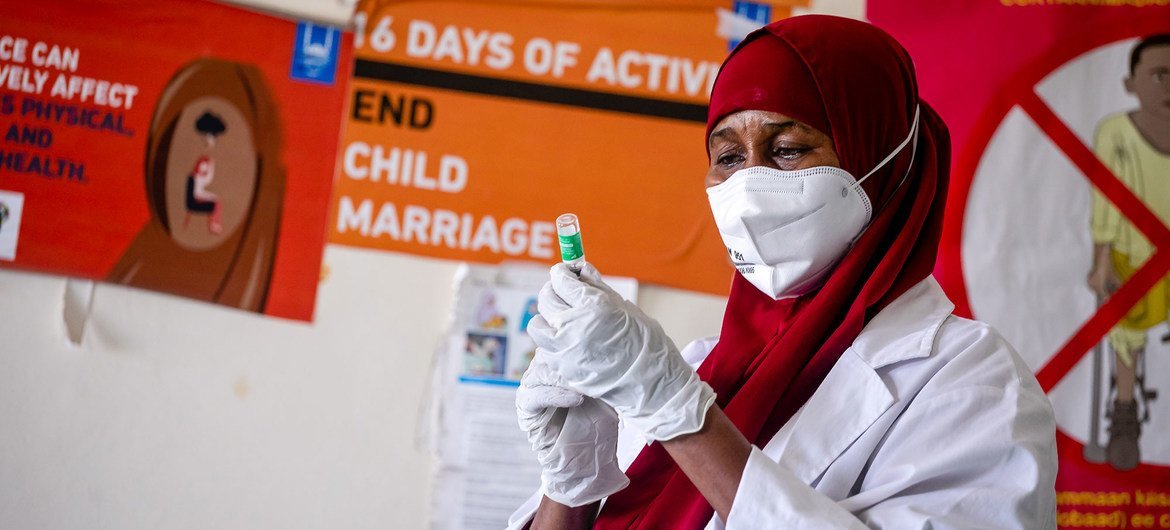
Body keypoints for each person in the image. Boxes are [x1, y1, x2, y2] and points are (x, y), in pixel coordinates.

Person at [509, 15, 1057, 529]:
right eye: (727, 157)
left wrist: (683, 417)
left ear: (882, 157)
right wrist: (571, 485)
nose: (749, 187)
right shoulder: (697, 369)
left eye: (788, 149)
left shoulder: (974, 383)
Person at [1087, 34, 1170, 472]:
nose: (1168, 87)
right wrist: (1101, 261)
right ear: (1130, 83)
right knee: (1126, 333)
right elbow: (1108, 198)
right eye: (1159, 75)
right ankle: (1124, 413)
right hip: (1135, 258)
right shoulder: (1116, 132)